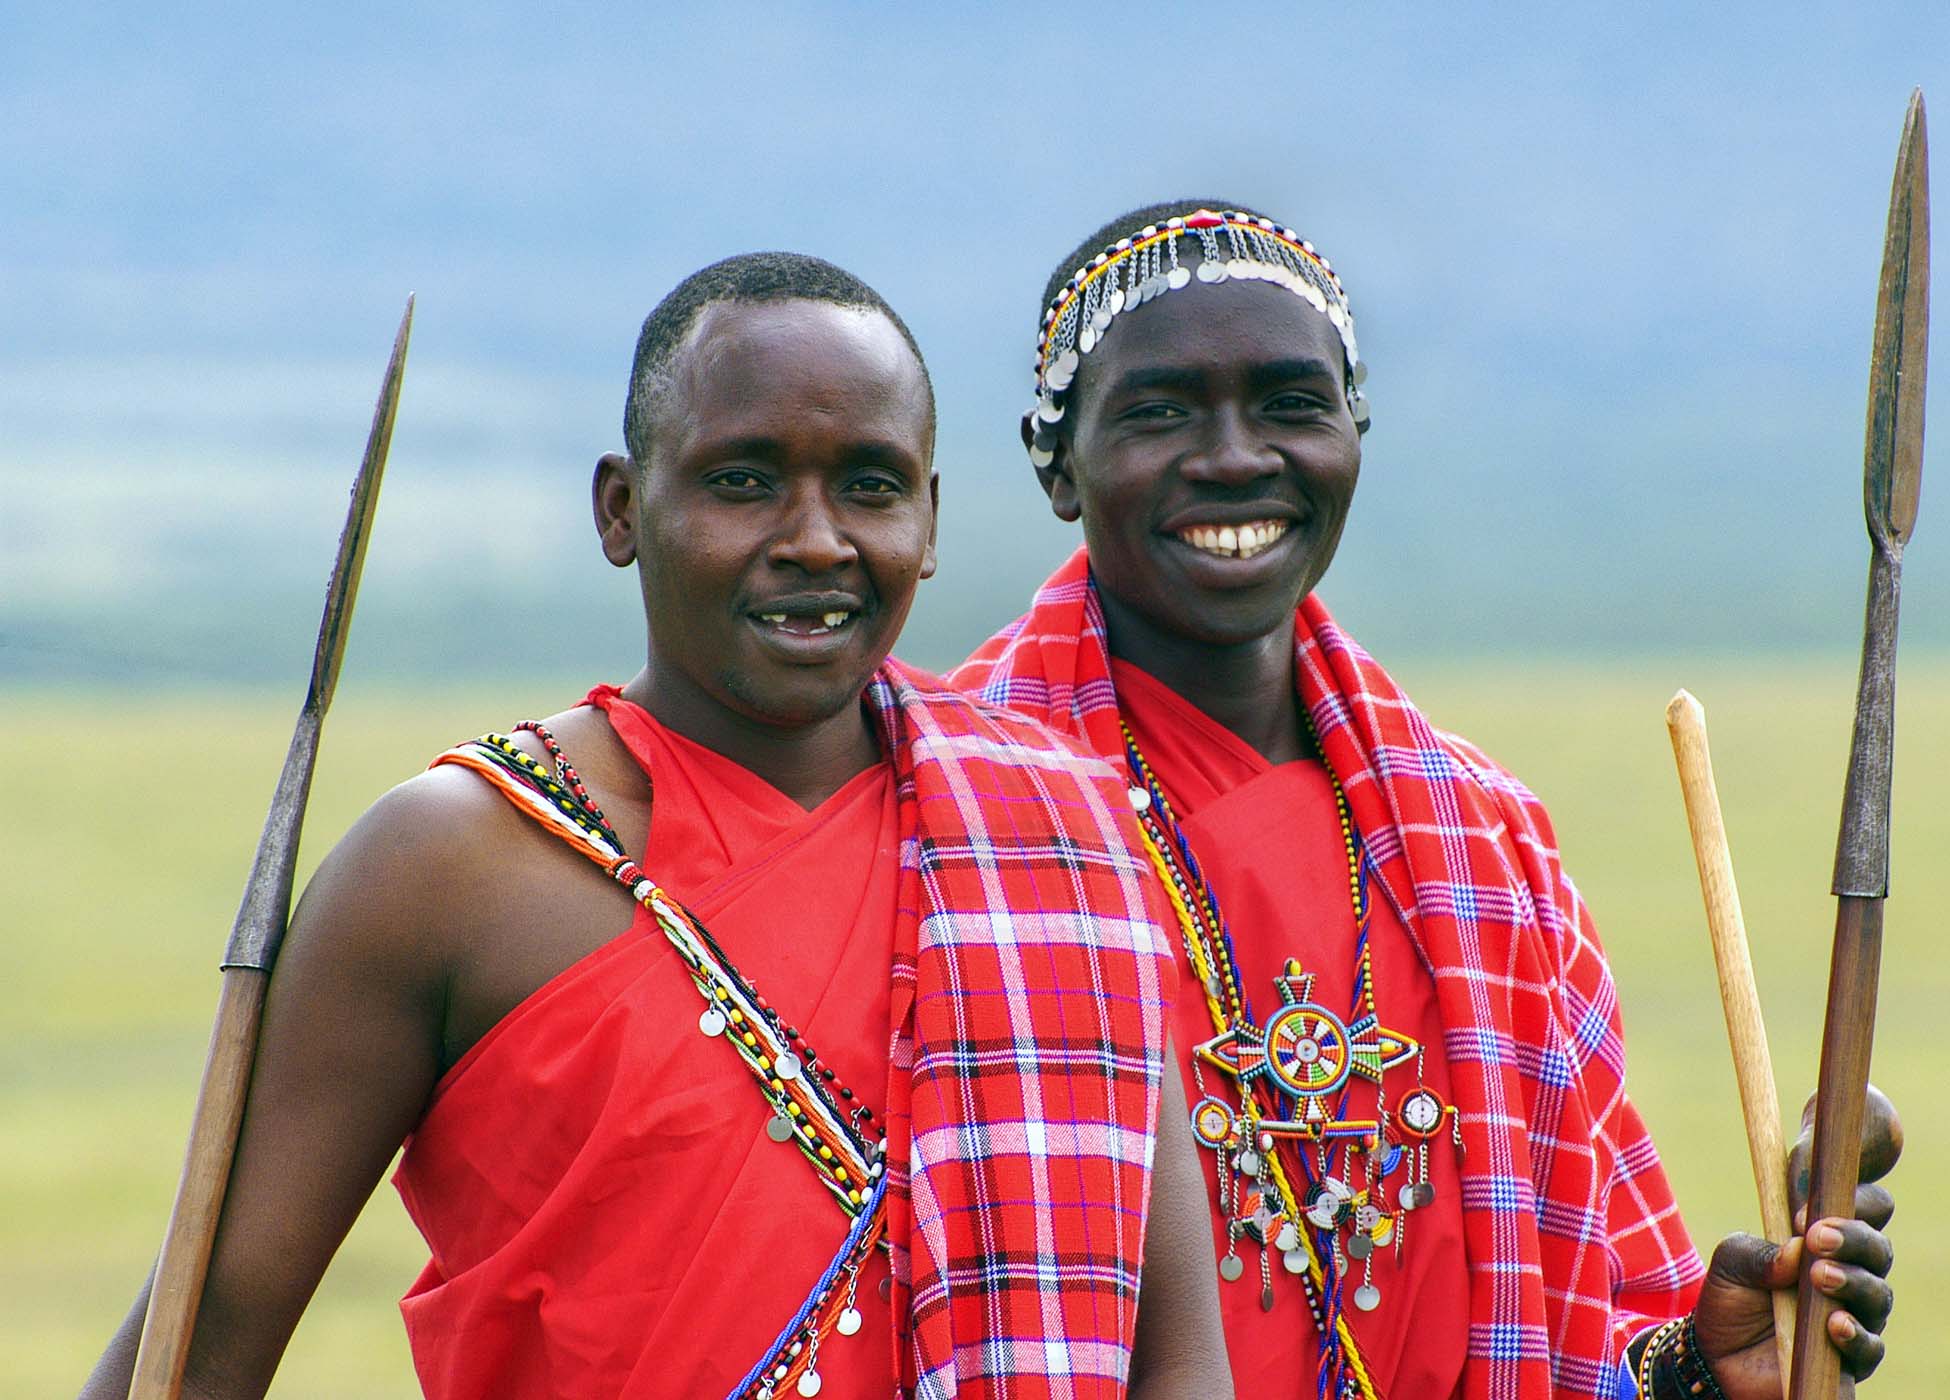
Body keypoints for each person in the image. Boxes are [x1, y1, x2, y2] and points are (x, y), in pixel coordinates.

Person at [83, 254, 1232, 1400]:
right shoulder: (450, 867)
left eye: (871, 486)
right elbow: (202, 1337)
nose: (816, 539)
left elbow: (1175, 1358)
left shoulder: (1057, 836)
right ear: (623, 508)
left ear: (929, 518)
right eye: (743, 481)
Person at [951, 203, 1900, 1400]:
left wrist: (1702, 1370)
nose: (1238, 456)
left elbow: (1587, 1335)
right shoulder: (945, 819)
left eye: (1292, 403)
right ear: (1057, 462)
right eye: (1161, 411)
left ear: (1355, 431)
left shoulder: (1482, 837)